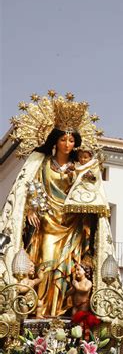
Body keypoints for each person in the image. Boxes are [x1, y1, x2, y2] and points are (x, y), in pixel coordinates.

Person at [0, 92, 112, 318]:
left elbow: (91, 195)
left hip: (73, 225)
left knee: (70, 268)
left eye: (72, 140)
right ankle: (37, 312)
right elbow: (26, 189)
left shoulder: (79, 167)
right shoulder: (39, 163)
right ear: (55, 140)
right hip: (46, 222)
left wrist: (87, 177)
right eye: (63, 139)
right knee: (44, 263)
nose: (68, 144)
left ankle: (62, 313)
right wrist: (31, 208)